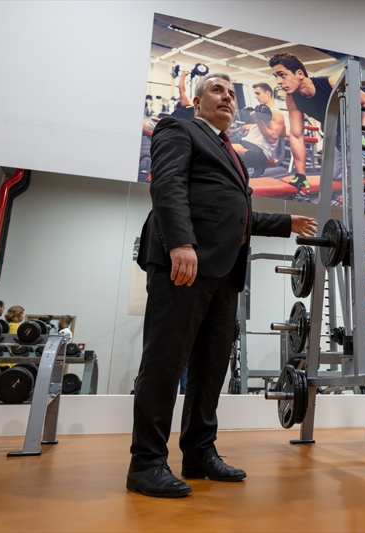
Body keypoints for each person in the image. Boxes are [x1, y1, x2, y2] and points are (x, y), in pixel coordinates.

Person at [129, 72, 318, 499]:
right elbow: (168, 186)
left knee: (210, 369)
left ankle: (198, 452)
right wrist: (180, 243)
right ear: (197, 102)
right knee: (164, 364)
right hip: (184, 265)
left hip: (224, 271)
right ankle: (146, 463)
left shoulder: (230, 151)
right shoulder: (178, 128)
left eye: (232, 94)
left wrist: (285, 222)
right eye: (217, 90)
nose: (228, 98)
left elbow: (233, 215)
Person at [269, 53, 365, 197]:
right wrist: (300, 174)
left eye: (282, 75)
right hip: (339, 135)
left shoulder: (331, 83)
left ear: (300, 74)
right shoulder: (292, 99)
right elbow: (296, 135)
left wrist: (361, 134)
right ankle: (363, 172)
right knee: (335, 176)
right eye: (276, 76)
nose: (278, 81)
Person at [232, 82, 285, 170]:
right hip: (246, 142)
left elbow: (272, 139)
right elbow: (262, 127)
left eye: (258, 93)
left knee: (225, 150)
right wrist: (252, 126)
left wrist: (257, 119)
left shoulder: (276, 113)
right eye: (255, 94)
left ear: (268, 94)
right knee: (216, 144)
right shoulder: (261, 111)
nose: (255, 96)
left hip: (260, 150)